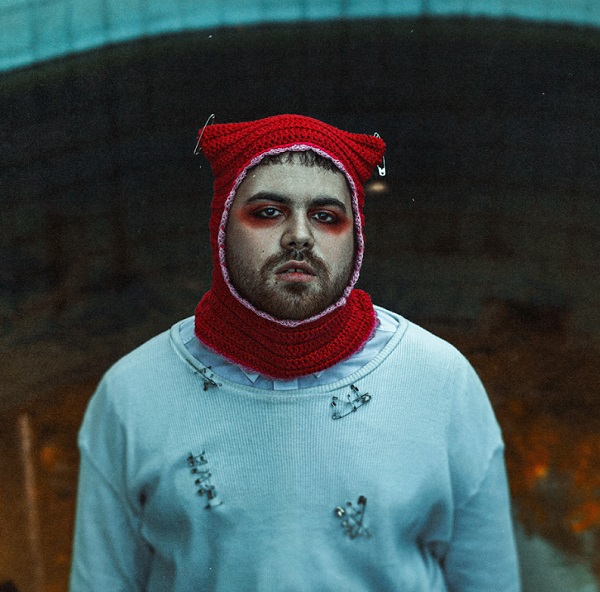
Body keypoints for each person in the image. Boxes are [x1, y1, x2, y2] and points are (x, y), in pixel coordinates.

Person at [70, 114, 520, 591]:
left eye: (326, 216)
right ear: (221, 228)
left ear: (355, 236)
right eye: (268, 212)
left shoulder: (439, 381)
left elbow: (489, 580)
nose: (300, 236)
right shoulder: (132, 394)